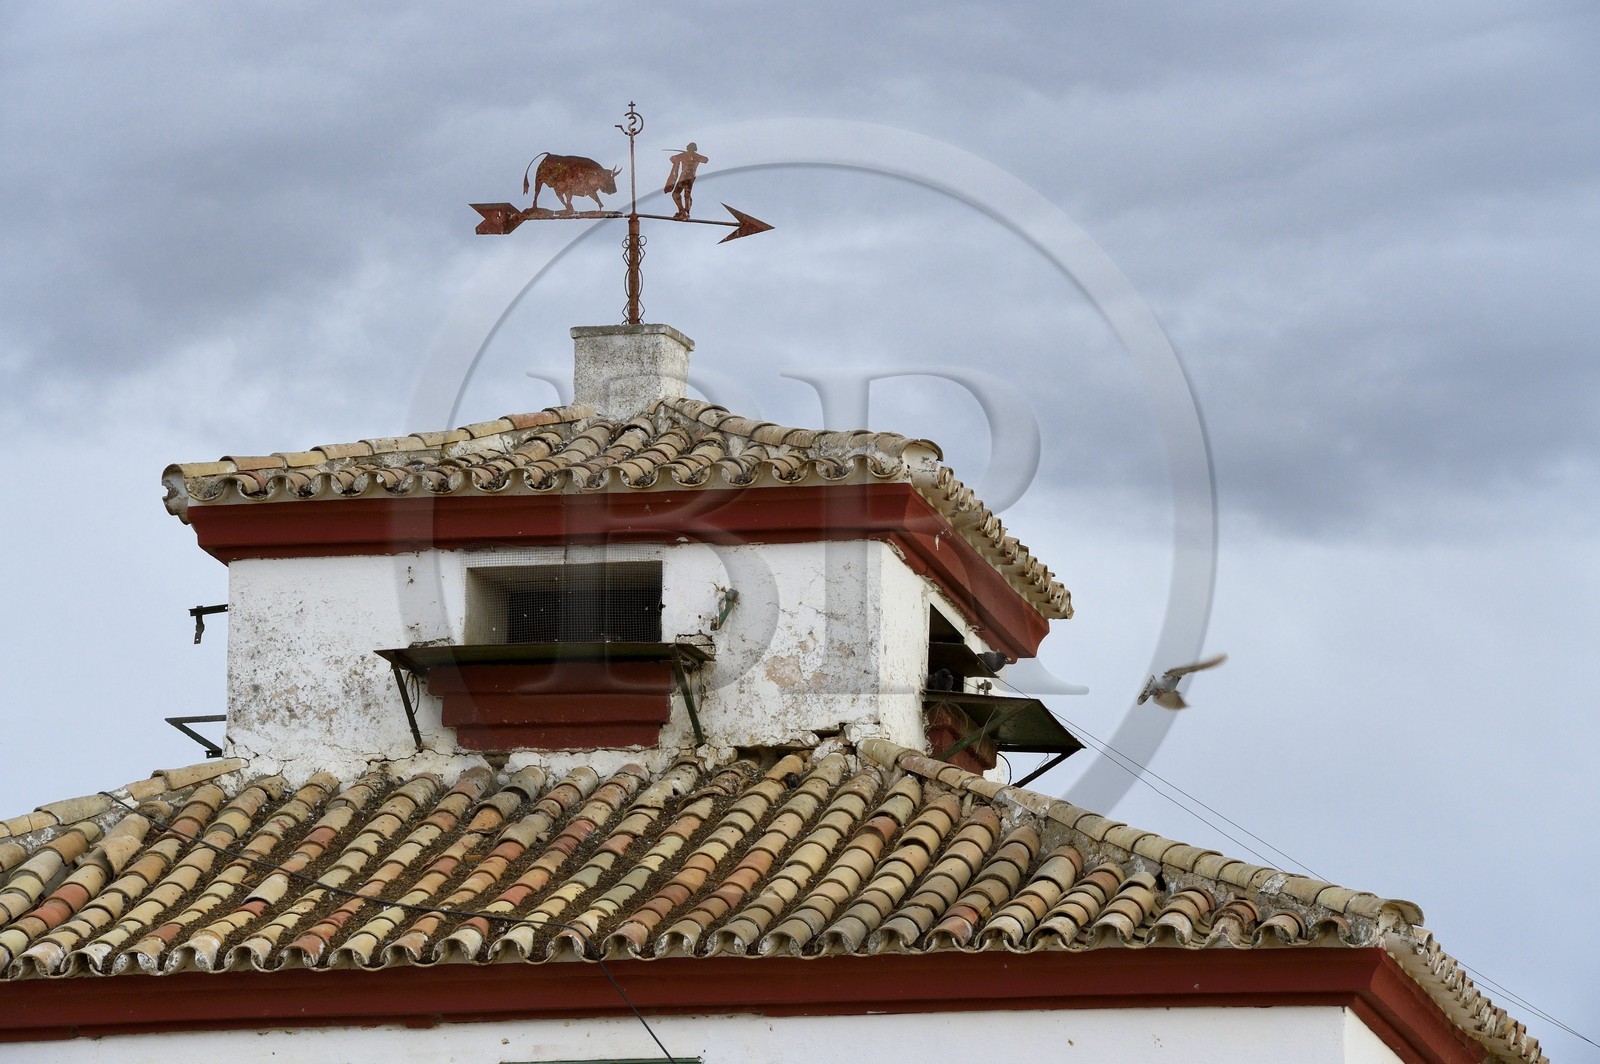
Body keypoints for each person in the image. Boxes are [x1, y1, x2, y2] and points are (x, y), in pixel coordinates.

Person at [663, 143, 708, 220]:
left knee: (675, 193)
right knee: (687, 194)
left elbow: (672, 158)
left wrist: (686, 155)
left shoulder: (684, 155)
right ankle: (686, 212)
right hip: (692, 177)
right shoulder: (695, 156)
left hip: (684, 176)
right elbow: (705, 160)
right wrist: (694, 155)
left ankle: (682, 211)